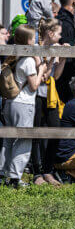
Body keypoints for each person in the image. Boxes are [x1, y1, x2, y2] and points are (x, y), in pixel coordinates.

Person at [0, 25, 47, 188]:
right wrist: (41, 70)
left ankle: (3, 173)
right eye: (33, 37)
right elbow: (34, 86)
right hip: (24, 103)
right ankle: (15, 177)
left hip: (11, 103)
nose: (35, 40)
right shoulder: (27, 60)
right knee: (24, 140)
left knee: (8, 139)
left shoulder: (14, 56)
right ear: (28, 40)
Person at [29, 18, 65, 186]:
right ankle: (37, 172)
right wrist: (53, 58)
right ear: (50, 34)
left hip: (50, 96)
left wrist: (62, 58)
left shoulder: (54, 49)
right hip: (35, 94)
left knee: (55, 131)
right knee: (35, 134)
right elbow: (43, 76)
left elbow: (55, 76)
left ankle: (48, 170)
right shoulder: (37, 49)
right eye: (59, 33)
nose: (61, 36)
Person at [54, 0, 75, 102]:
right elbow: (71, 47)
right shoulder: (65, 22)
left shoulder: (65, 19)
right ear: (74, 1)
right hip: (67, 74)